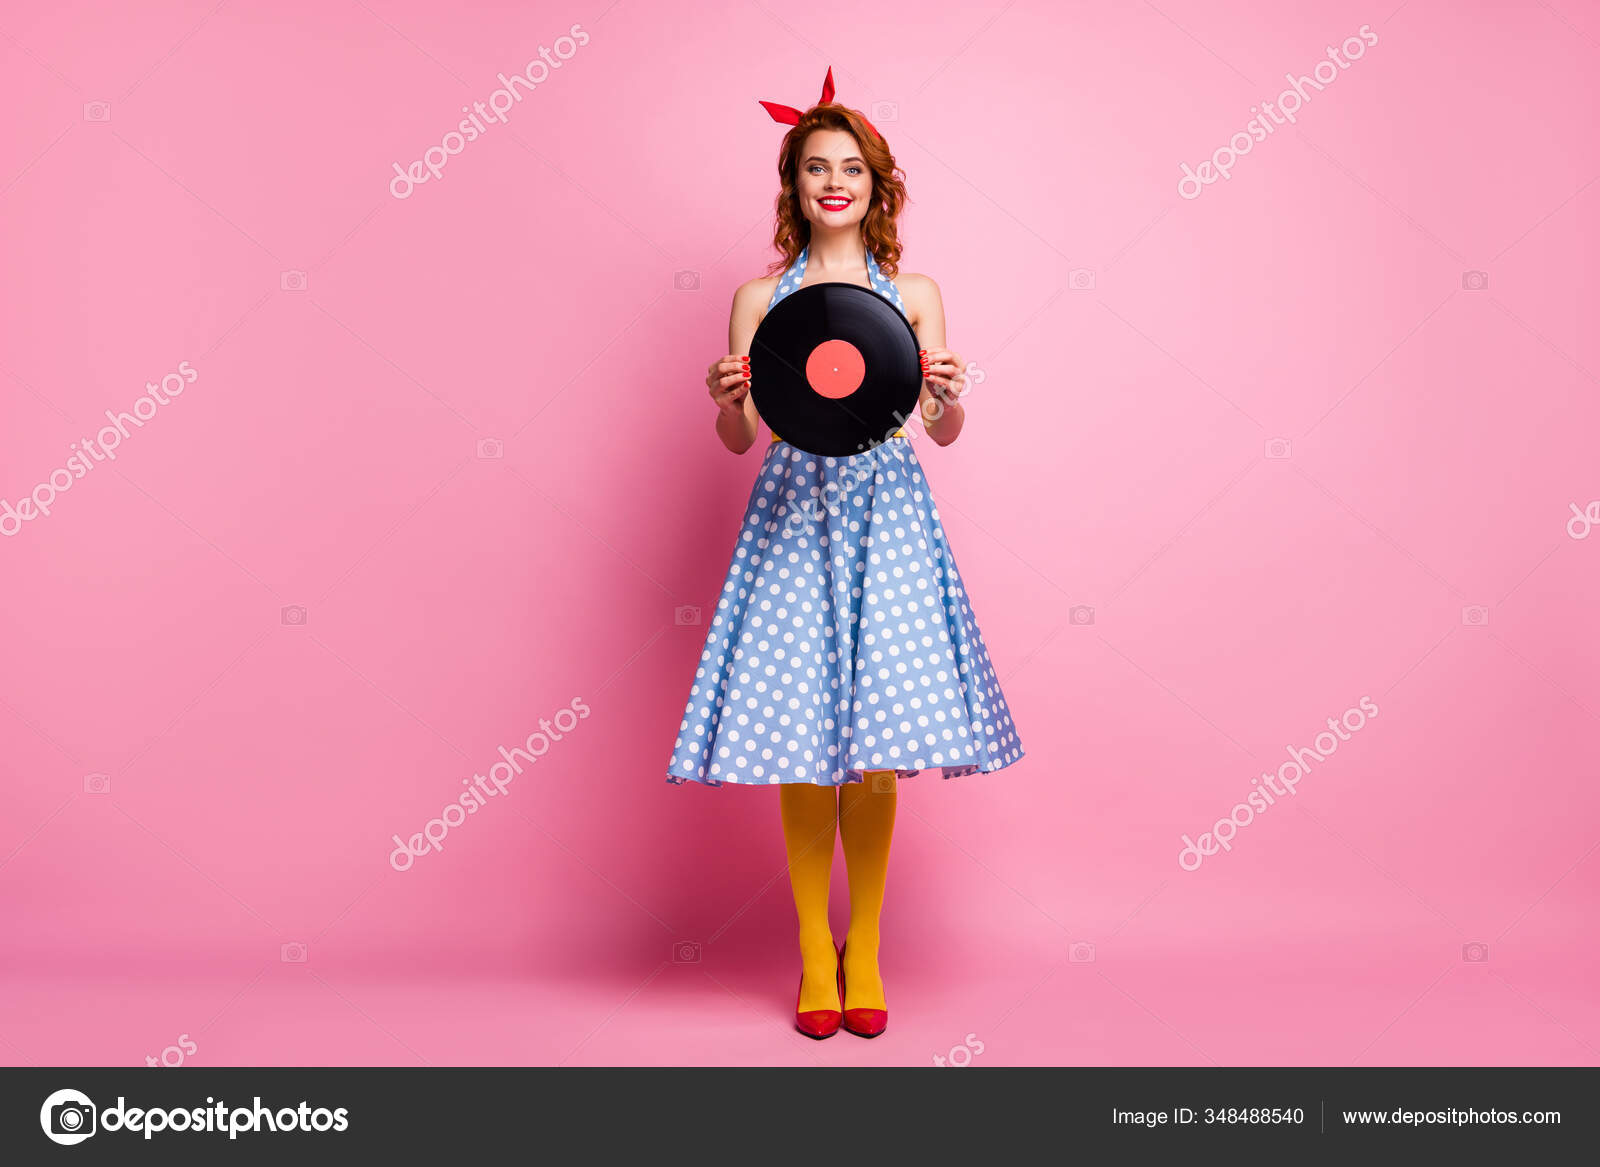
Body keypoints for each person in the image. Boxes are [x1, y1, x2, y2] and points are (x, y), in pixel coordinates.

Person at [665, 67, 1025, 1039]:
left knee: (874, 749)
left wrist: (947, 391)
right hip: (792, 517)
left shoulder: (912, 294)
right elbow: (740, 443)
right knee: (800, 742)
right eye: (815, 167)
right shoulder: (755, 298)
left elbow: (941, 433)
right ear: (793, 186)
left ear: (876, 185)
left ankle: (860, 948)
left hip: (887, 517)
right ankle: (809, 957)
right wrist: (724, 399)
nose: (834, 181)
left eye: (850, 167)